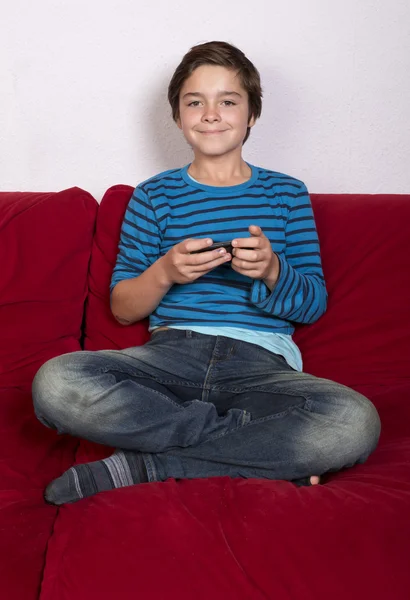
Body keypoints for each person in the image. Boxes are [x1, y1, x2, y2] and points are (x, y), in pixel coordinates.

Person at [32, 41, 381, 505]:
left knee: (355, 420)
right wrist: (165, 271)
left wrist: (273, 270)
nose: (211, 113)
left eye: (228, 101)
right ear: (178, 116)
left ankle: (147, 466)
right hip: (169, 361)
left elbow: (313, 304)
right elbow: (121, 309)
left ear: (252, 114)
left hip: (263, 365)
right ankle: (257, 448)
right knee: (56, 382)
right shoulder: (154, 196)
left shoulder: (286, 194)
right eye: (195, 101)